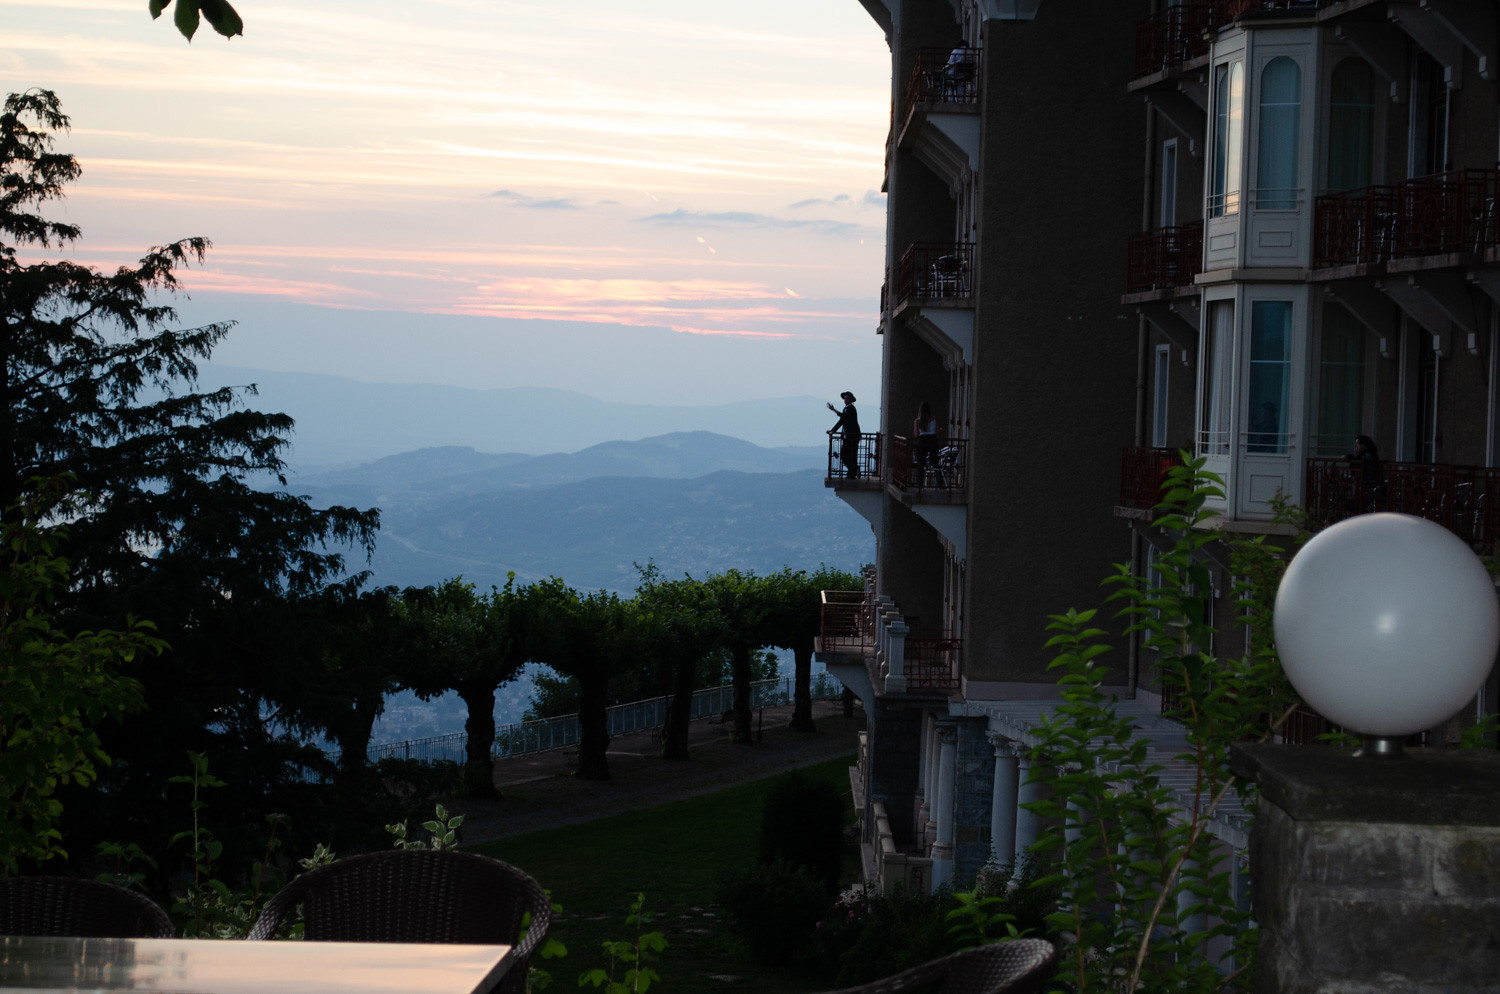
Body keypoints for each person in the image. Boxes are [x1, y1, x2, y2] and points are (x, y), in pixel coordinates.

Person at [827, 391, 861, 479]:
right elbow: (842, 421)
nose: (845, 400)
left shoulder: (851, 409)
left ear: (851, 400)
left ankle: (852, 473)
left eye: (847, 398)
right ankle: (854, 470)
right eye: (845, 398)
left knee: (850, 455)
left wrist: (834, 410)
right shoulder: (846, 409)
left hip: (852, 437)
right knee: (846, 455)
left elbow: (844, 418)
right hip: (848, 437)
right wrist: (833, 430)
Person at [1345, 434, 1383, 511]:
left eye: (1358, 443)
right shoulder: (1364, 456)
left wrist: (1351, 457)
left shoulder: (1368, 456)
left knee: (1351, 505)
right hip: (1365, 491)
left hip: (1371, 491)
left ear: (1364, 445)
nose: (1355, 446)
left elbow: (1360, 463)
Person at [913, 401, 944, 487]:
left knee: (921, 463)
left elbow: (916, 435)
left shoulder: (917, 421)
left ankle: (920, 484)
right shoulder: (934, 419)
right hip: (933, 441)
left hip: (923, 442)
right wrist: (941, 430)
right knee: (935, 463)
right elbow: (938, 431)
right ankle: (940, 484)